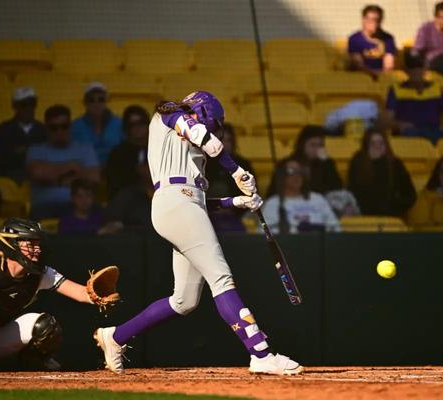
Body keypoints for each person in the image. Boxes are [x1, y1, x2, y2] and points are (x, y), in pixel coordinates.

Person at [93, 91, 303, 375]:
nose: (213, 129)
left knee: (184, 300)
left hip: (183, 207)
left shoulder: (192, 153)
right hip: (175, 205)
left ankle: (114, 337)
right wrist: (237, 171)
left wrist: (238, 201)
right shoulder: (168, 114)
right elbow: (205, 143)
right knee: (222, 278)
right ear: (201, 113)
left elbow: (198, 199)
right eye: (211, 122)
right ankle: (261, 354)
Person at [0, 218, 106, 369]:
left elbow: (81, 293)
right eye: (30, 243)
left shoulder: (40, 273)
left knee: (46, 326)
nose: (37, 249)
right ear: (11, 243)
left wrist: (100, 294)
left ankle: (36, 373)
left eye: (37, 243)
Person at [26, 105, 100, 220]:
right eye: (54, 127)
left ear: (70, 126)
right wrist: (73, 167)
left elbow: (94, 178)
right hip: (45, 207)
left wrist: (52, 175)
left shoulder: (85, 149)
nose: (59, 131)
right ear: (46, 129)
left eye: (64, 126)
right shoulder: (36, 150)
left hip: (79, 206)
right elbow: (37, 173)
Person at [385, 51, 443, 144]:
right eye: (412, 67)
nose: (416, 71)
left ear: (425, 68)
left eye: (419, 66)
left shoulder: (436, 88)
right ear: (405, 70)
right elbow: (388, 120)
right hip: (411, 133)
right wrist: (400, 125)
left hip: (435, 131)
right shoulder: (395, 90)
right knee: (410, 133)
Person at [263, 158, 341, 234]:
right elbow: (264, 235)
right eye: (291, 172)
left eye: (299, 172)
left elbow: (335, 228)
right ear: (281, 176)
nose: (297, 176)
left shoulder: (318, 199)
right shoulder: (273, 204)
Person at [348, 130, 416, 216]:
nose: (378, 147)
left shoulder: (395, 163)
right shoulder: (358, 162)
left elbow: (410, 195)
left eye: (381, 143)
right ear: (366, 146)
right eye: (373, 144)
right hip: (363, 215)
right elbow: (353, 191)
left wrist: (394, 208)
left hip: (390, 216)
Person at [267, 125, 342, 197]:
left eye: (320, 145)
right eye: (312, 145)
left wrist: (327, 164)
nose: (317, 149)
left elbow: (337, 190)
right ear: (302, 145)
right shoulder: (285, 164)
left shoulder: (327, 165)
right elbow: (274, 193)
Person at [205, 123, 253, 232]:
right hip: (207, 216)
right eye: (221, 140)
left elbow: (251, 194)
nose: (225, 144)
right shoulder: (203, 164)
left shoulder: (243, 165)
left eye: (228, 140)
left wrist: (233, 209)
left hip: (236, 217)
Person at [0, 87, 46, 183]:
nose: (29, 108)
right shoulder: (4, 129)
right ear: (15, 106)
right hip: (13, 177)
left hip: (39, 176)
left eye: (32, 104)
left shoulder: (43, 129)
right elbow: (4, 158)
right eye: (24, 105)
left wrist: (22, 151)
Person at [105, 105, 150, 200]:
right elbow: (115, 185)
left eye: (141, 123)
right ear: (126, 128)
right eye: (132, 124)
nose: (138, 127)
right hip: (128, 203)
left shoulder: (159, 149)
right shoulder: (118, 154)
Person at [98, 158, 154, 234]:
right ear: (140, 168)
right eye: (150, 165)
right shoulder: (127, 196)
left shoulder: (169, 195)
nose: (154, 170)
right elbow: (110, 224)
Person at [71, 82, 122, 165]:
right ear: (85, 103)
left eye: (101, 99)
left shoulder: (119, 124)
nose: (96, 104)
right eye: (92, 100)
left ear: (106, 102)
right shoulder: (75, 127)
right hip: (86, 171)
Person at [348, 4, 396, 77]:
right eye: (370, 20)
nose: (374, 23)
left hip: (383, 77)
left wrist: (382, 76)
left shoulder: (387, 38)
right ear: (364, 19)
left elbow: (389, 63)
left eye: (377, 20)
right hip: (362, 77)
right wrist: (373, 74)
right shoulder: (355, 39)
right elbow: (357, 64)